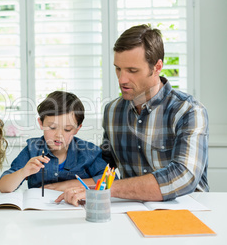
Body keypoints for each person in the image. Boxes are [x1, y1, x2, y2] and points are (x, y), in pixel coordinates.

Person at [57, 24, 209, 206]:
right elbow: (105, 167)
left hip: (188, 212)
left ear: (157, 67)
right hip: (131, 212)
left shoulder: (188, 110)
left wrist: (107, 189)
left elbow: (183, 176)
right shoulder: (112, 111)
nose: (122, 79)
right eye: (118, 69)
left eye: (132, 70)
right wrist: (58, 178)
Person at [0, 91, 108, 193]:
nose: (59, 135)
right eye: (52, 127)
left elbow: (108, 181)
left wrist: (63, 186)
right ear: (41, 123)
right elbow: (3, 187)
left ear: (77, 129)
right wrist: (23, 172)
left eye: (67, 129)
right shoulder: (32, 149)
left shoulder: (88, 152)